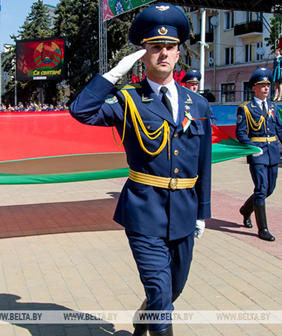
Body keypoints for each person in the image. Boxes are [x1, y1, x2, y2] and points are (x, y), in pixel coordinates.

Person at [69, 4, 212, 335]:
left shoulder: (198, 104)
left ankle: (144, 314)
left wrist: (203, 212)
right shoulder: (128, 99)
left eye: (170, 47)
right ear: (143, 54)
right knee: (162, 299)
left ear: (179, 53)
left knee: (173, 289)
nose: (163, 53)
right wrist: (114, 72)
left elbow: (203, 163)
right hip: (144, 211)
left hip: (185, 212)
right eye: (155, 47)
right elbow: (81, 111)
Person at [236, 67, 282, 242]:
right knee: (261, 188)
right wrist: (251, 147)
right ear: (254, 88)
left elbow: (281, 130)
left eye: (268, 85)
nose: (266, 88)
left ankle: (245, 210)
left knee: (269, 189)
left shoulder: (273, 107)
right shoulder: (246, 109)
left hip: (272, 152)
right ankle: (263, 228)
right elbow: (241, 133)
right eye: (262, 85)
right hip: (257, 154)